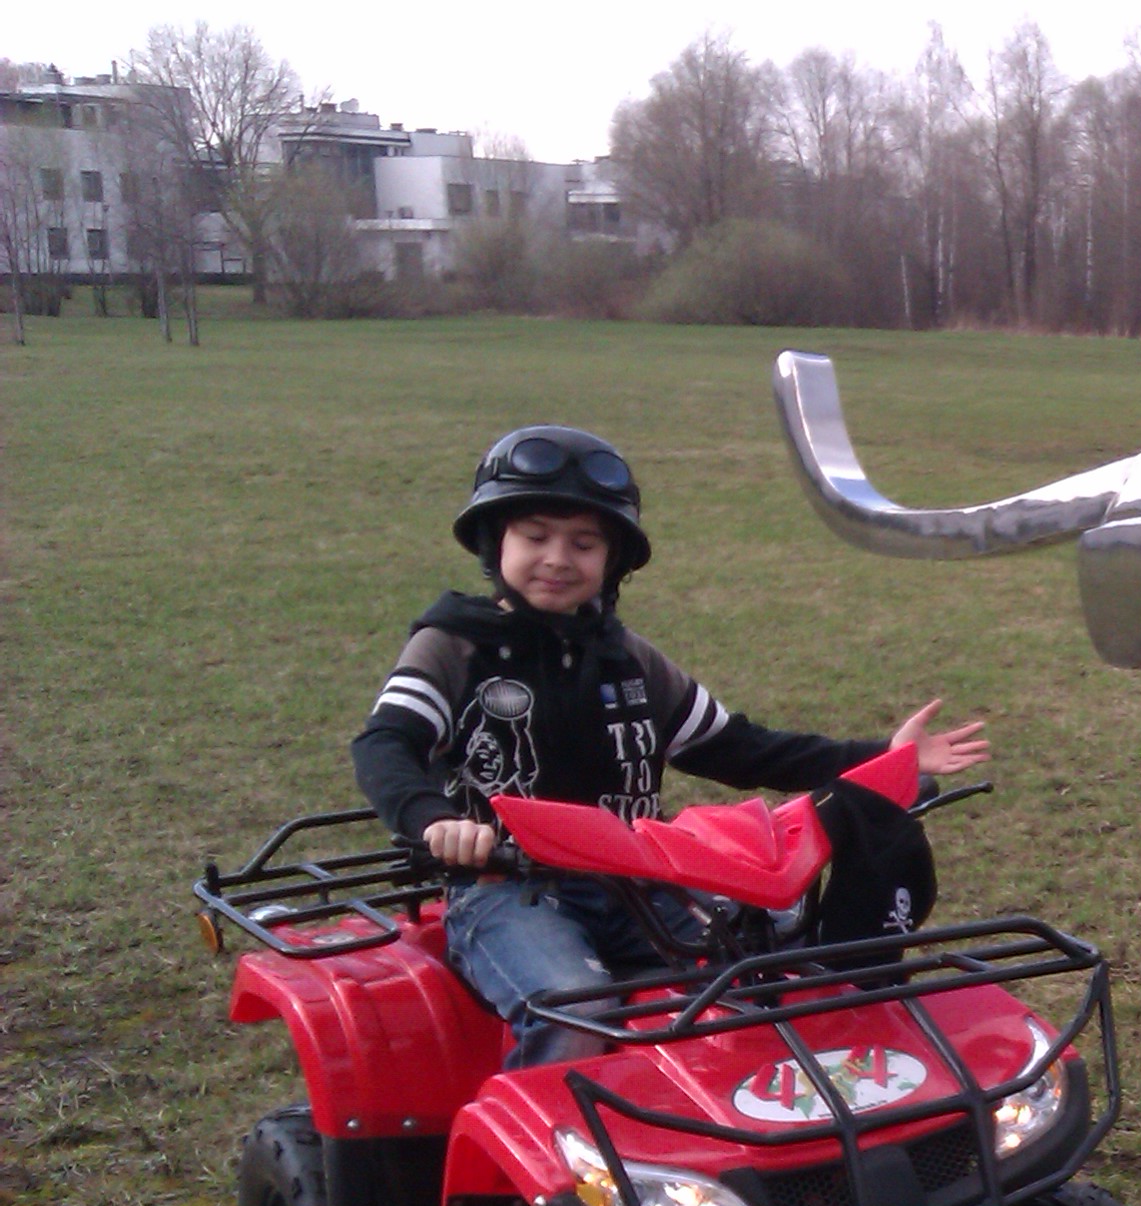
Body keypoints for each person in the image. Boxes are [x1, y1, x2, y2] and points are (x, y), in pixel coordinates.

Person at [353, 423, 990, 1066]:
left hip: (641, 884)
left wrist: (884, 757)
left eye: (584, 543)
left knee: (774, 966)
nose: (558, 558)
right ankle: (550, 1131)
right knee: (575, 1009)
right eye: (535, 537)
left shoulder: (628, 660)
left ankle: (763, 1120)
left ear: (612, 561)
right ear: (496, 543)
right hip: (507, 890)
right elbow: (386, 744)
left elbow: (740, 748)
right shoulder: (454, 647)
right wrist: (433, 820)